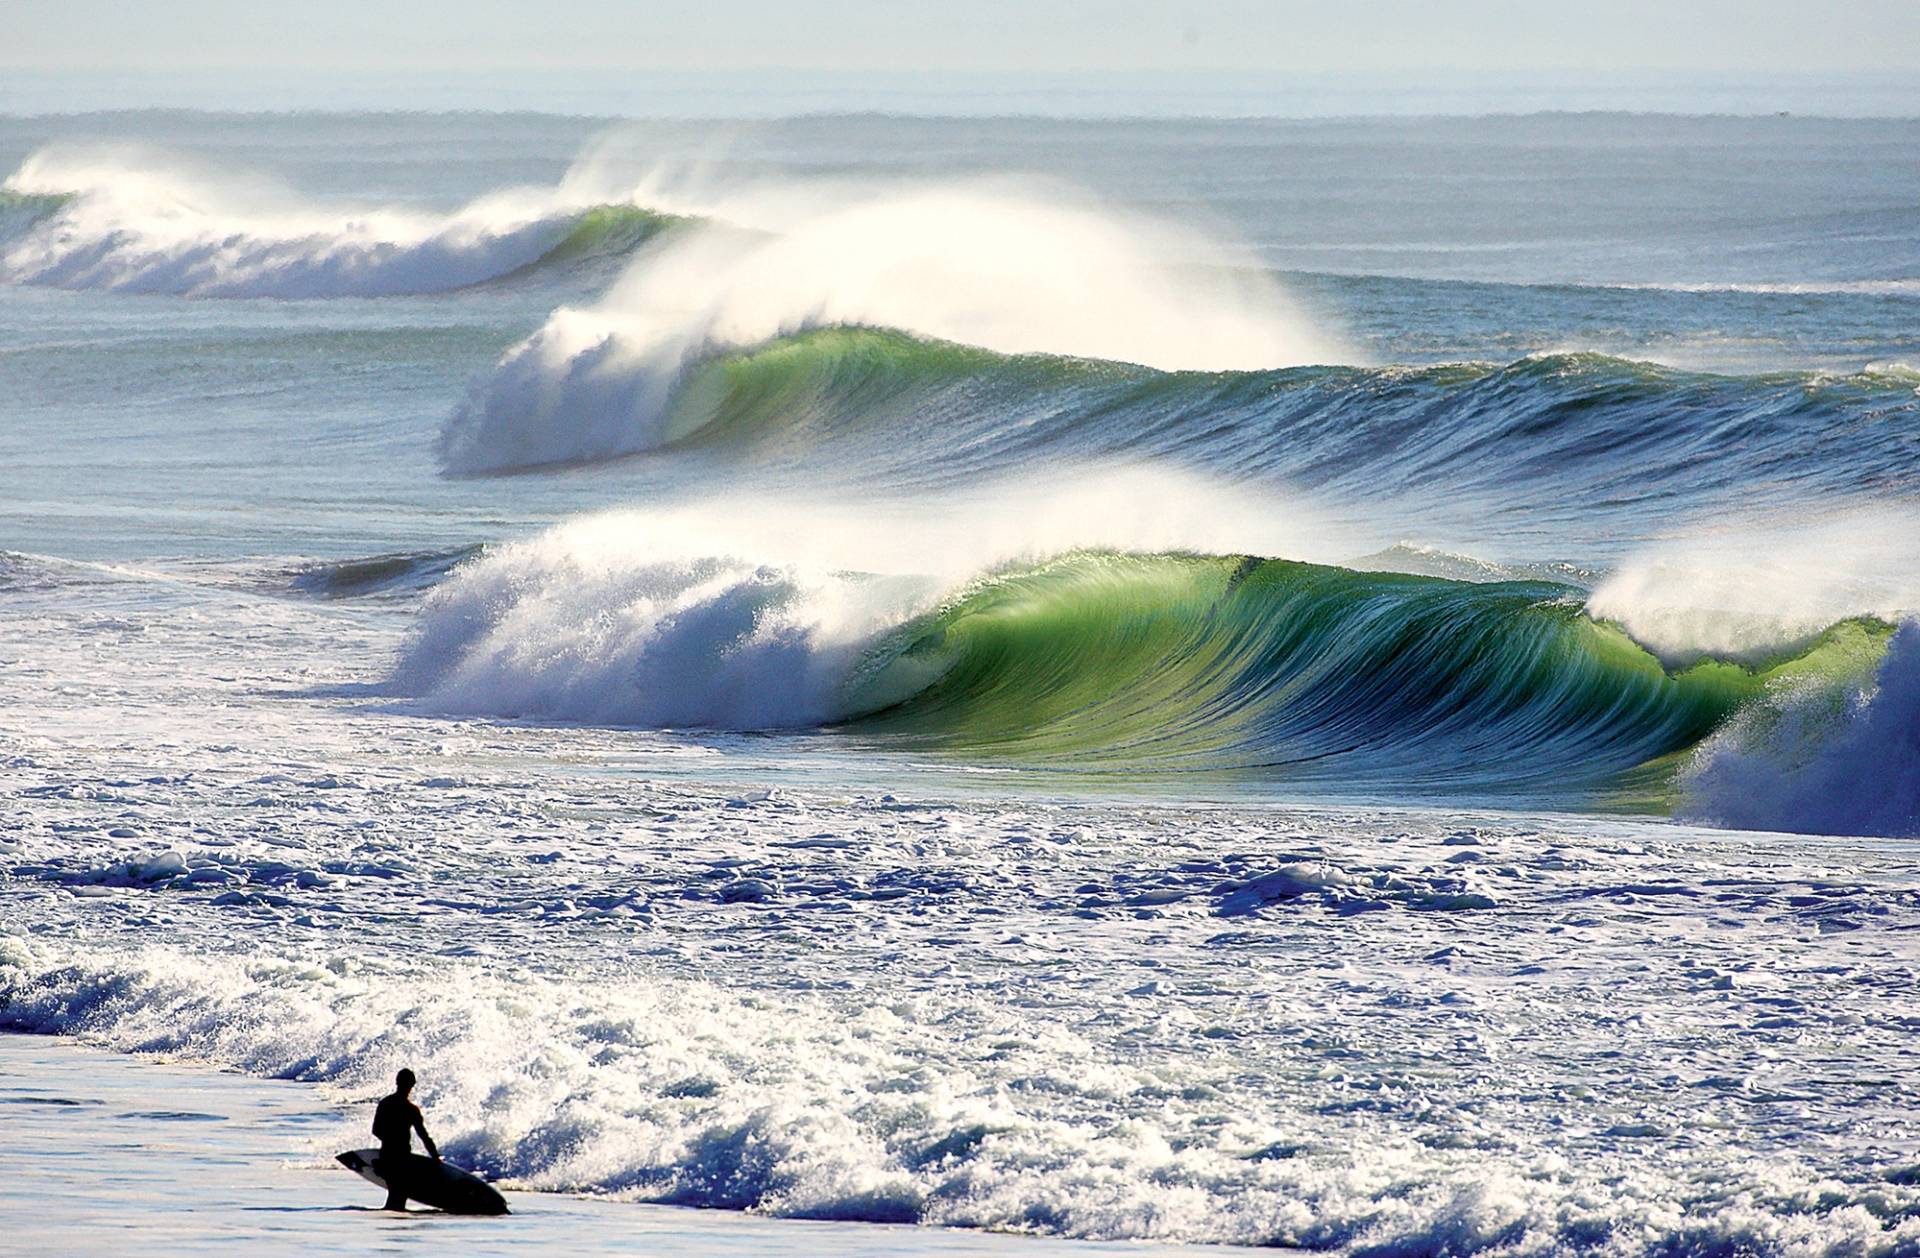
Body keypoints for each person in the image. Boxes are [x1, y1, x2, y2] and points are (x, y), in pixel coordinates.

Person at [371, 1067, 440, 1211]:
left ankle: (392, 1220)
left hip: (387, 1156)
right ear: (412, 1085)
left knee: (395, 1195)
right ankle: (395, 1224)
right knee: (398, 1196)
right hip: (403, 1158)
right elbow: (424, 1136)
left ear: (397, 1082)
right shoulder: (411, 1109)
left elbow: (376, 1130)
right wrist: (435, 1157)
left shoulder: (385, 1103)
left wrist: (389, 1142)